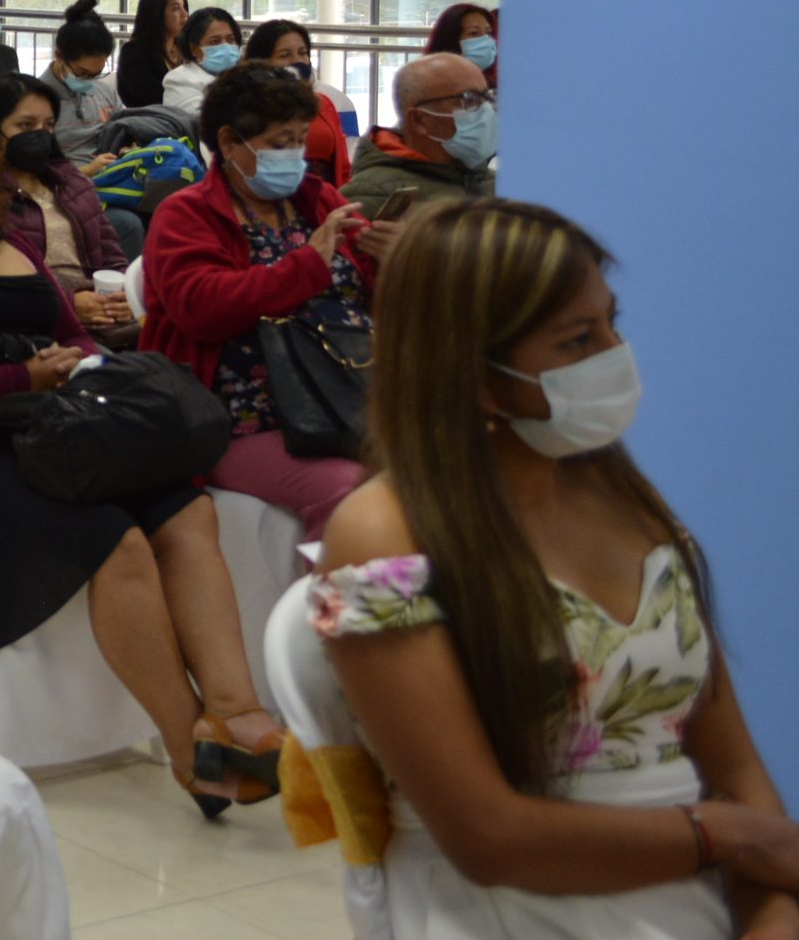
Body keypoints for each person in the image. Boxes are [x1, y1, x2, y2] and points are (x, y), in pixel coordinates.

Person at [312, 200, 799, 939]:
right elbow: (488, 839)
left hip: (695, 896)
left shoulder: (622, 497)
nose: (614, 354)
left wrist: (772, 908)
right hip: (511, 912)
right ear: (472, 370)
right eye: (578, 339)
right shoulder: (382, 534)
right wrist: (729, 836)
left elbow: (734, 771)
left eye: (612, 324)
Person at [0, 95, 289, 817]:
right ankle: (189, 746)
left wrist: (75, 364)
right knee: (117, 539)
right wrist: (17, 378)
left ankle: (237, 711)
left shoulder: (6, 238)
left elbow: (71, 330)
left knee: (186, 510)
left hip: (56, 433)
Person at [140, 64, 392, 538]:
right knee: (353, 491)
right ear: (229, 142)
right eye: (279, 143)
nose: (295, 155)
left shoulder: (316, 199)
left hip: (342, 400)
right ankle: (343, 588)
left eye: (300, 140)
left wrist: (389, 261)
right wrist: (305, 266)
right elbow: (201, 309)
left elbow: (368, 298)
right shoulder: (186, 213)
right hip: (240, 419)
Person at [0, 74, 135, 346]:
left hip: (101, 314)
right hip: (35, 328)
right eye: (25, 125)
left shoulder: (72, 182)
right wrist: (67, 304)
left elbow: (111, 254)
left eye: (48, 125)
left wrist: (122, 293)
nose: (40, 134)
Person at [342, 54, 499, 219]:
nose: (486, 110)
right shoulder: (371, 194)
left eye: (487, 97)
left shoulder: (488, 180)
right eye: (469, 99)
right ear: (419, 120)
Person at [244, 18, 351, 186]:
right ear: (261, 63)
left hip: (327, 197)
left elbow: (343, 168)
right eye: (284, 55)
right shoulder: (247, 108)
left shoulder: (323, 103)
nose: (298, 61)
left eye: (302, 53)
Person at [43, 0, 125, 172]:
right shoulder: (37, 99)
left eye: (96, 74)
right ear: (59, 56)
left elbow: (123, 129)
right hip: (68, 182)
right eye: (82, 73)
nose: (90, 81)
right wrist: (88, 170)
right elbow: (35, 170)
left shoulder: (105, 92)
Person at [118, 0, 189, 109]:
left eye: (184, 7)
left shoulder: (187, 47)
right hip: (152, 117)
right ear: (156, 13)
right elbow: (152, 95)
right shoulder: (134, 51)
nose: (184, 14)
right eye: (175, 9)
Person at [163, 7, 243, 116]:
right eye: (215, 42)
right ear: (193, 49)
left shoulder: (243, 76)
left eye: (231, 40)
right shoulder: (179, 80)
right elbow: (203, 119)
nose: (226, 47)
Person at [424, 0, 499, 88]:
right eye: (474, 33)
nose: (485, 40)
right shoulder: (431, 86)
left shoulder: (493, 83)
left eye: (489, 33)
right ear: (450, 40)